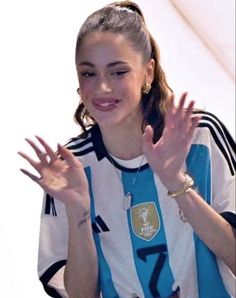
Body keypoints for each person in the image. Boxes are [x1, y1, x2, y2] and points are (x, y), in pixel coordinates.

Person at [18, 1, 236, 298]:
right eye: (89, 73)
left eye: (118, 72)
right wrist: (79, 211)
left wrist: (177, 184)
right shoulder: (70, 167)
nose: (102, 88)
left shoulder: (199, 136)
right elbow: (81, 295)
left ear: (148, 73)